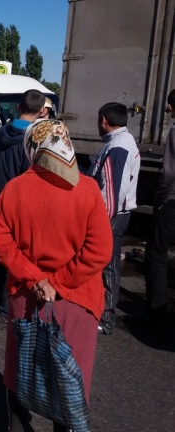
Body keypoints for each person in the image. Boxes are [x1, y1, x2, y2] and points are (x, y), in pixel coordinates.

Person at [0, 119, 112, 432]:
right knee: (69, 377)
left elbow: (1, 243)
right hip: (76, 299)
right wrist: (58, 283)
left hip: (26, 297)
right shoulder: (88, 189)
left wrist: (36, 278)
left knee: (20, 370)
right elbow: (99, 251)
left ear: (32, 147)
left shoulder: (14, 189)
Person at [0, 89, 46, 330]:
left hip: (1, 200)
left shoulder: (0, 133)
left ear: (19, 106)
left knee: (4, 256)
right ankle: (12, 309)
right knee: (22, 258)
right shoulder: (33, 140)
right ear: (41, 111)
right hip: (23, 205)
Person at [86, 102, 140, 335]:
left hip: (111, 217)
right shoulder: (121, 141)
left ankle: (106, 318)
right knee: (106, 263)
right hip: (116, 214)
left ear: (104, 120)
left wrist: (101, 223)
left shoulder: (117, 146)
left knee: (108, 265)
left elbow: (110, 191)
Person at [142, 88, 175, 324]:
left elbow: (169, 173)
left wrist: (160, 200)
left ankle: (156, 311)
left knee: (156, 253)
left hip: (172, 202)